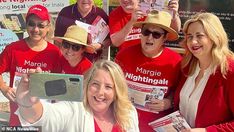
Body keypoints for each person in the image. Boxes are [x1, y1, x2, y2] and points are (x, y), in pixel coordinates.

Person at [15, 60, 139, 132]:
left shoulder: (129, 112)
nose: (100, 92)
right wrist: (28, 104)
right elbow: (45, 119)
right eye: (95, 84)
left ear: (117, 91)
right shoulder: (74, 109)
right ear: (87, 84)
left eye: (108, 87)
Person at [115, 10, 182, 132]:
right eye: (146, 32)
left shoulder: (175, 61)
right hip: (125, 125)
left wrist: (168, 102)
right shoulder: (123, 55)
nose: (149, 37)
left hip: (157, 128)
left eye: (156, 34)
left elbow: (180, 92)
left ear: (165, 38)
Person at [0, 4, 61, 126]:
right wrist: (4, 88)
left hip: (45, 118)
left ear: (48, 27)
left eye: (41, 25)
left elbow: (59, 84)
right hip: (18, 117)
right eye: (31, 24)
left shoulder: (55, 52)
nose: (36, 29)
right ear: (26, 24)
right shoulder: (13, 49)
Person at [174, 12, 234, 131]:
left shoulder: (230, 72)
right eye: (189, 36)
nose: (193, 42)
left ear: (215, 37)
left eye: (199, 36)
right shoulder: (187, 66)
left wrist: (206, 131)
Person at [109, 0, 181, 52]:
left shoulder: (152, 9)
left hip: (153, 58)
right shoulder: (115, 14)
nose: (125, 0)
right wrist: (132, 22)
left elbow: (174, 31)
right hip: (129, 59)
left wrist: (174, 15)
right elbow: (116, 42)